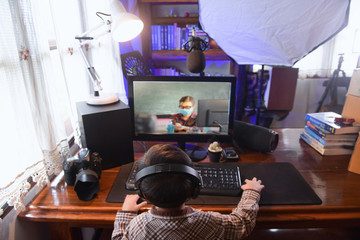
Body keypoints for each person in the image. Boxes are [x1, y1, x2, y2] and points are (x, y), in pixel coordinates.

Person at [112, 144, 264, 240]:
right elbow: (243, 223)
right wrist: (252, 191)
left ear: (142, 193)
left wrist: (126, 213)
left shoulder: (137, 226)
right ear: (194, 189)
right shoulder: (210, 223)